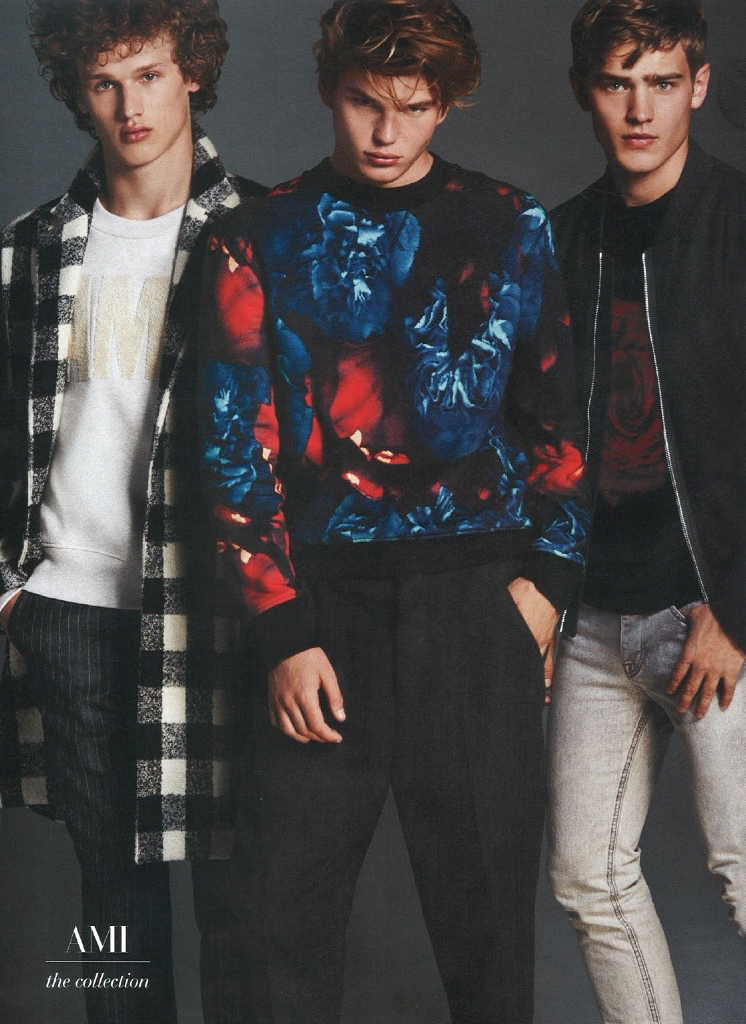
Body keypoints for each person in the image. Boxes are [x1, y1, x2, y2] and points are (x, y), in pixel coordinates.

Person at [198, 2, 589, 1021]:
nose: (384, 132)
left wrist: (545, 590)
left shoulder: (508, 222)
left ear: (445, 104)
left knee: (489, 935)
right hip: (321, 614)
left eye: (412, 107)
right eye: (364, 102)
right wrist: (282, 630)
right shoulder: (255, 236)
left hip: (477, 606)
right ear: (328, 91)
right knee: (280, 927)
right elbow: (233, 449)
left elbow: (558, 421)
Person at [0, 2, 263, 1022]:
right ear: (78, 92)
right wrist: (13, 590)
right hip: (70, 611)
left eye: (148, 74)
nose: (130, 106)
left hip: (221, 610)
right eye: (104, 83)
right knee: (112, 905)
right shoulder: (31, 247)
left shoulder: (267, 233)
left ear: (191, 70)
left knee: (242, 900)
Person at [547, 2, 746, 1022]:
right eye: (617, 83)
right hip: (593, 617)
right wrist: (543, 593)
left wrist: (734, 610)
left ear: (697, 86)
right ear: (585, 92)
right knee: (587, 876)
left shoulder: (736, 221)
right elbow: (536, 436)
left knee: (743, 868)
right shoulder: (562, 236)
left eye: (660, 83)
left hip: (709, 612)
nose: (639, 109)